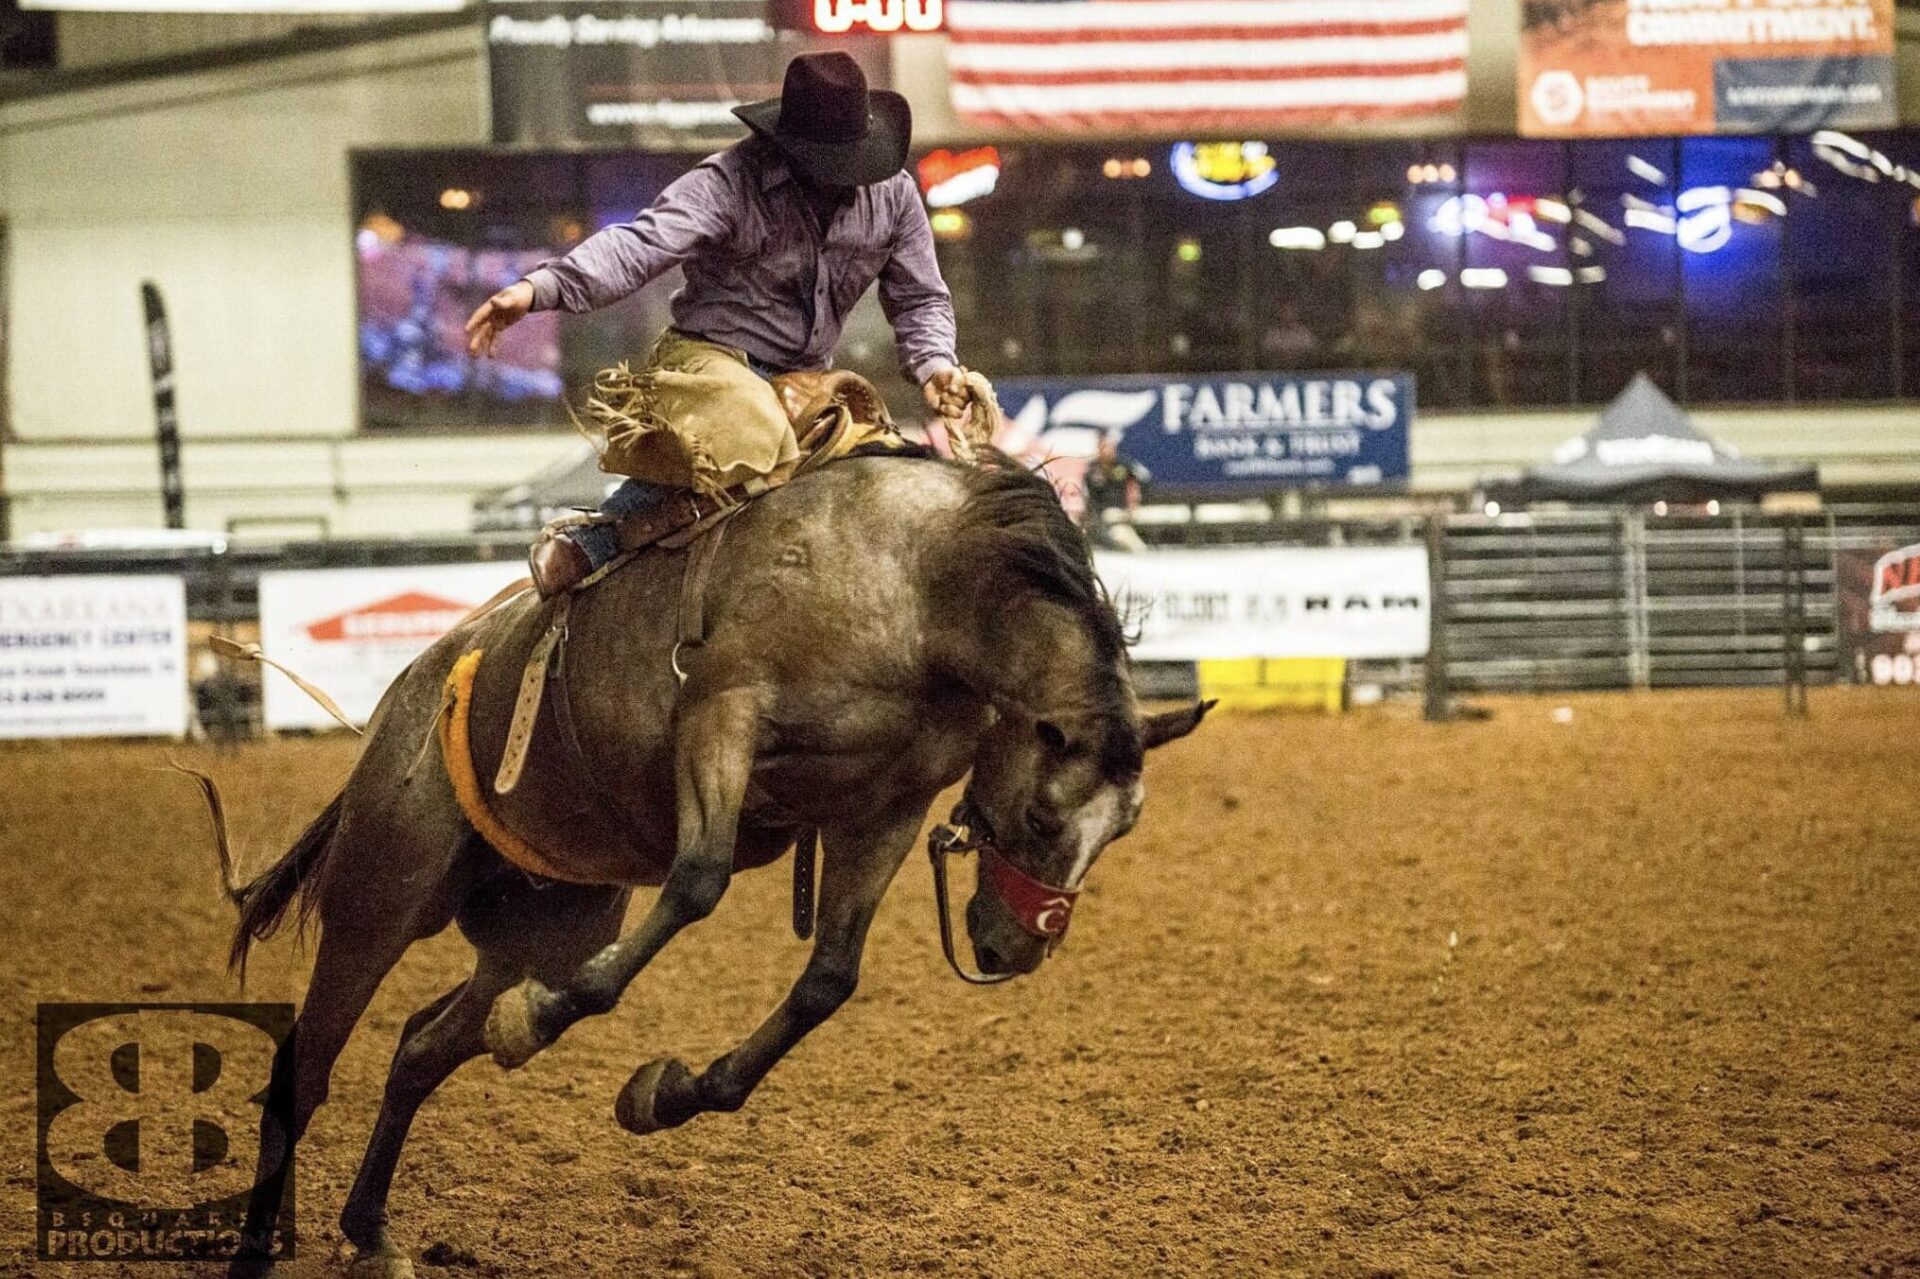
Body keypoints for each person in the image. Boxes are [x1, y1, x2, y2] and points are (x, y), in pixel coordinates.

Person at [465, 52, 971, 596]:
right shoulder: (730, 180)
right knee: (755, 432)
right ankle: (597, 538)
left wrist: (936, 366)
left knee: (887, 466)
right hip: (710, 358)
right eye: (830, 164)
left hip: (806, 378)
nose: (844, 180)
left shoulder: (893, 194)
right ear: (789, 148)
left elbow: (920, 298)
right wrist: (539, 289)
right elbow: (641, 243)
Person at [1081, 434, 1151, 553]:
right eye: (1104, 447)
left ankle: (1136, 548)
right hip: (1104, 511)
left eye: (1110, 447)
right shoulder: (1092, 468)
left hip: (1125, 509)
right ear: (1098, 448)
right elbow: (1087, 494)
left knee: (1122, 526)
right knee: (1117, 525)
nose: (1107, 450)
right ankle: (1138, 549)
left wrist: (1136, 501)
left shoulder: (1123, 464)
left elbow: (1144, 478)